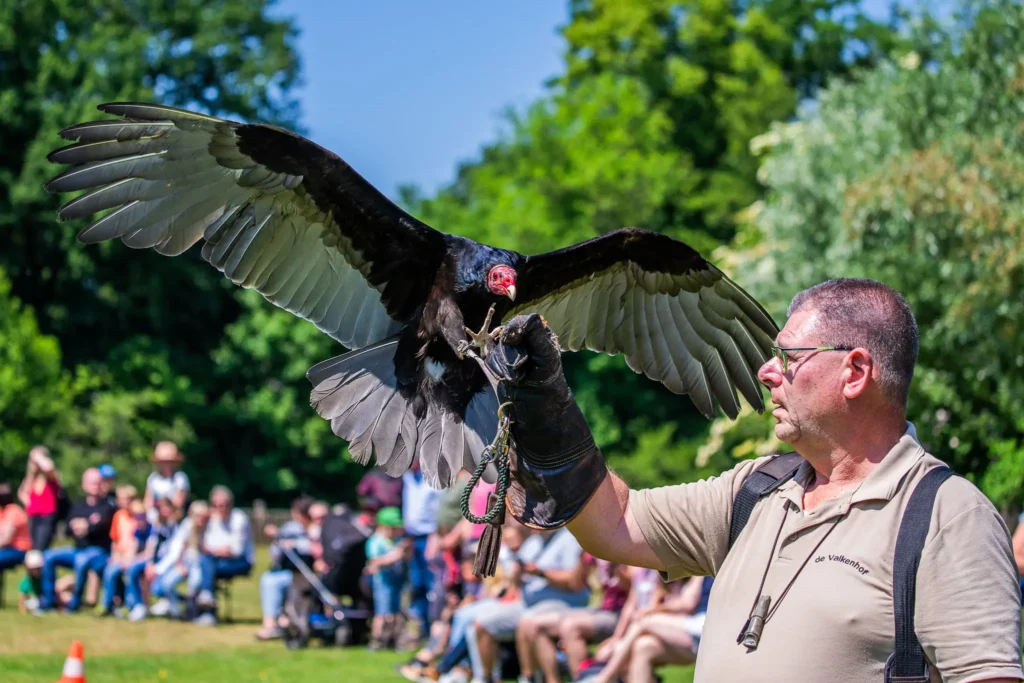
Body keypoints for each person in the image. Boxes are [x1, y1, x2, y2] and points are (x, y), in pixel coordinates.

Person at [484, 280, 1024, 682]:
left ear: (855, 373)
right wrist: (545, 406)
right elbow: (615, 523)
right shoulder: (756, 489)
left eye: (789, 357)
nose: (768, 371)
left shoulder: (946, 515)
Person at [467, 527, 591, 683]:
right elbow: (516, 584)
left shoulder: (570, 539)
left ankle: (529, 678)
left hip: (562, 602)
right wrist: (517, 573)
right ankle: (487, 678)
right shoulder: (533, 542)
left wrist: (541, 572)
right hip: (527, 604)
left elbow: (574, 582)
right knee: (482, 624)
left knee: (526, 621)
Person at [579, 576, 713, 683]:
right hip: (691, 632)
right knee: (643, 646)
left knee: (643, 622)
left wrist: (652, 611)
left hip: (704, 628)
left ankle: (607, 677)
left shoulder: (702, 570)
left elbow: (687, 603)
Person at [518, 557, 630, 683]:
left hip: (622, 614)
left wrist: (616, 567)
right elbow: (576, 585)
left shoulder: (627, 553)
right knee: (535, 624)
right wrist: (582, 559)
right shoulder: (595, 553)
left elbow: (634, 589)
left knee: (570, 626)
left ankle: (581, 679)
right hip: (601, 610)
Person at [40, 468, 116, 612]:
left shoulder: (108, 505)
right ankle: (48, 602)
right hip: (78, 549)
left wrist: (86, 526)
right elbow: (68, 529)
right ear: (84, 485)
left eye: (97, 482)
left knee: (82, 560)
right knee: (48, 556)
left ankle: (74, 604)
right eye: (91, 482)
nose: (95, 485)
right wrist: (79, 527)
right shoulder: (78, 506)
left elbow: (102, 527)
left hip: (99, 551)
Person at [192, 485, 253, 625]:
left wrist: (215, 550)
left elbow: (235, 551)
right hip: (216, 561)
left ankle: (208, 609)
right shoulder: (212, 520)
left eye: (223, 505)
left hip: (241, 562)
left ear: (230, 504)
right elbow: (205, 546)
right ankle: (204, 603)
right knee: (205, 564)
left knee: (207, 567)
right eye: (215, 505)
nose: (219, 509)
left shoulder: (239, 519)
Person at [257, 495, 315, 640]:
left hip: (309, 574)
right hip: (288, 571)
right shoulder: (290, 528)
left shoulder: (316, 528)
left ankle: (287, 621)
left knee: (294, 582)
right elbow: (275, 553)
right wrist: (278, 538)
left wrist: (295, 544)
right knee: (269, 580)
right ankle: (270, 625)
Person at [403, 459, 444, 641]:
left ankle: (433, 627)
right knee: (416, 583)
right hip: (412, 537)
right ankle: (420, 628)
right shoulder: (408, 478)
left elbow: (440, 510)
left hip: (430, 537)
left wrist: (435, 538)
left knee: (431, 584)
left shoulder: (434, 476)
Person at [149, 499, 210, 619]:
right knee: (166, 584)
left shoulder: (210, 528)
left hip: (200, 565)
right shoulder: (187, 526)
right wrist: (178, 564)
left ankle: (192, 611)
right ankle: (176, 610)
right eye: (197, 516)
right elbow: (176, 549)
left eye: (202, 516)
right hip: (184, 563)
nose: (200, 519)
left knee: (195, 583)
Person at [127, 497, 181, 621]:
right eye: (161, 508)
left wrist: (157, 569)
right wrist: (150, 563)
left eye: (167, 507)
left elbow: (174, 553)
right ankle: (139, 606)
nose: (165, 510)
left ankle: (172, 603)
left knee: (159, 586)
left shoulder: (178, 525)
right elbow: (152, 544)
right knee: (133, 570)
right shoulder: (158, 525)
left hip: (171, 562)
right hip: (155, 560)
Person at [365, 506, 409, 650]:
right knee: (382, 614)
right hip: (383, 582)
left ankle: (394, 640)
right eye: (394, 528)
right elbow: (374, 562)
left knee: (396, 613)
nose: (397, 531)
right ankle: (376, 641)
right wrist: (393, 556)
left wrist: (406, 550)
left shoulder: (397, 540)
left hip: (397, 581)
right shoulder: (376, 541)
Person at [99, 485, 141, 615]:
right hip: (120, 555)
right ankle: (107, 604)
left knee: (130, 573)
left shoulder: (139, 517)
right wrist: (115, 556)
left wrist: (130, 557)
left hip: (134, 555)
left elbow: (139, 541)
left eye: (127, 499)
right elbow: (115, 539)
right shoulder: (118, 516)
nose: (124, 502)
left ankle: (131, 605)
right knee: (110, 571)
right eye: (121, 499)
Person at [17, 446, 62, 550]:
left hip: (46, 518)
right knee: (32, 547)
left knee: (41, 547)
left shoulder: (51, 477)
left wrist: (37, 456)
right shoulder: (31, 478)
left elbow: (49, 467)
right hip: (33, 517)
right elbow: (21, 492)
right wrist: (29, 503)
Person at [143, 441, 190, 518]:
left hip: (174, 518)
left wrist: (162, 507)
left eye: (168, 461)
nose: (165, 464)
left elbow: (178, 503)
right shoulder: (153, 478)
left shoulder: (180, 478)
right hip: (154, 518)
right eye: (162, 461)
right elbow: (147, 502)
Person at [0, 483, 31, 570]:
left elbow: (6, 538)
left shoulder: (13, 511)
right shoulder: (3, 511)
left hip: (19, 549)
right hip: (7, 549)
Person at [19, 549, 45, 614]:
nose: (36, 571)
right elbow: (23, 599)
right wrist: (23, 612)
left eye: (38, 568)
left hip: (45, 601)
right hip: (36, 602)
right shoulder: (26, 582)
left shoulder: (46, 579)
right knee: (31, 603)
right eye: (33, 569)